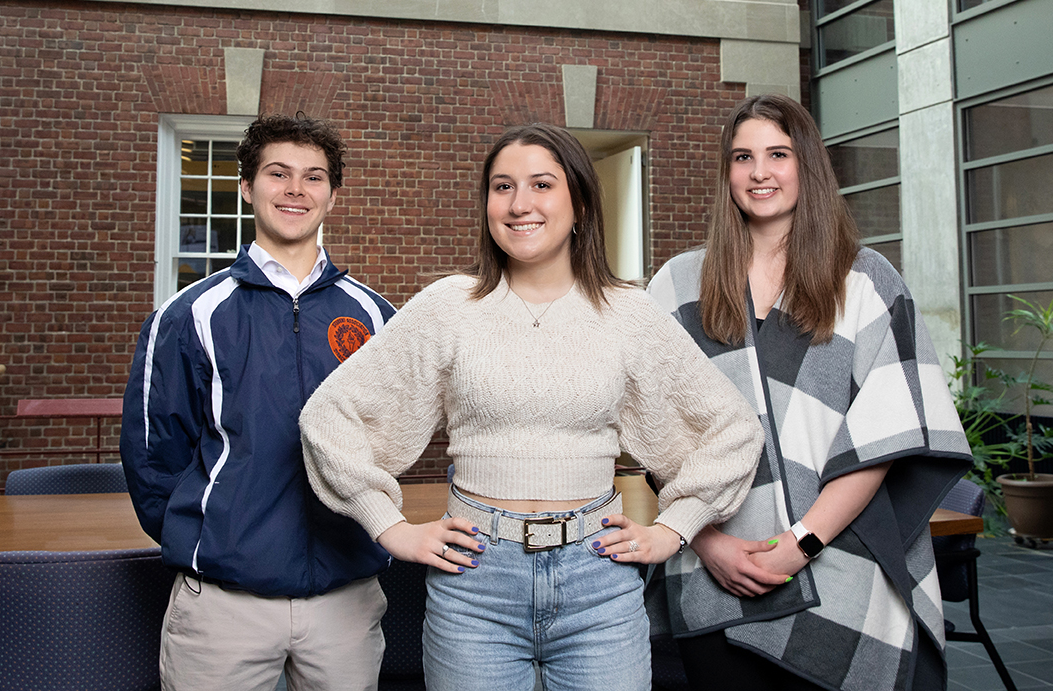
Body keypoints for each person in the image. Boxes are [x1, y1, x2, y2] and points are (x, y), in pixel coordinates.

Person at [299, 122, 766, 691]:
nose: (520, 205)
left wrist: (675, 528)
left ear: (580, 204)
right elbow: (327, 418)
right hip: (474, 584)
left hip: (600, 581)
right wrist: (388, 525)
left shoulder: (627, 313)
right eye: (502, 187)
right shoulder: (449, 307)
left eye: (541, 185)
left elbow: (733, 429)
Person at [645, 95, 973, 691]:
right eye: (742, 157)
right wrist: (707, 540)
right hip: (710, 562)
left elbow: (885, 432)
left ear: (808, 166)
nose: (759, 172)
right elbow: (657, 439)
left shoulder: (866, 280)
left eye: (778, 154)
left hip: (842, 561)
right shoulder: (675, 286)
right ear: (726, 174)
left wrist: (801, 542)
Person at [120, 113, 396, 691]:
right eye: (278, 173)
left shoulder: (376, 317)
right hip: (224, 607)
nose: (296, 189)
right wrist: (216, 541)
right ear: (247, 188)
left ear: (332, 195)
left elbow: (393, 441)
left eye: (314, 177)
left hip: (345, 602)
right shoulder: (189, 316)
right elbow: (153, 461)